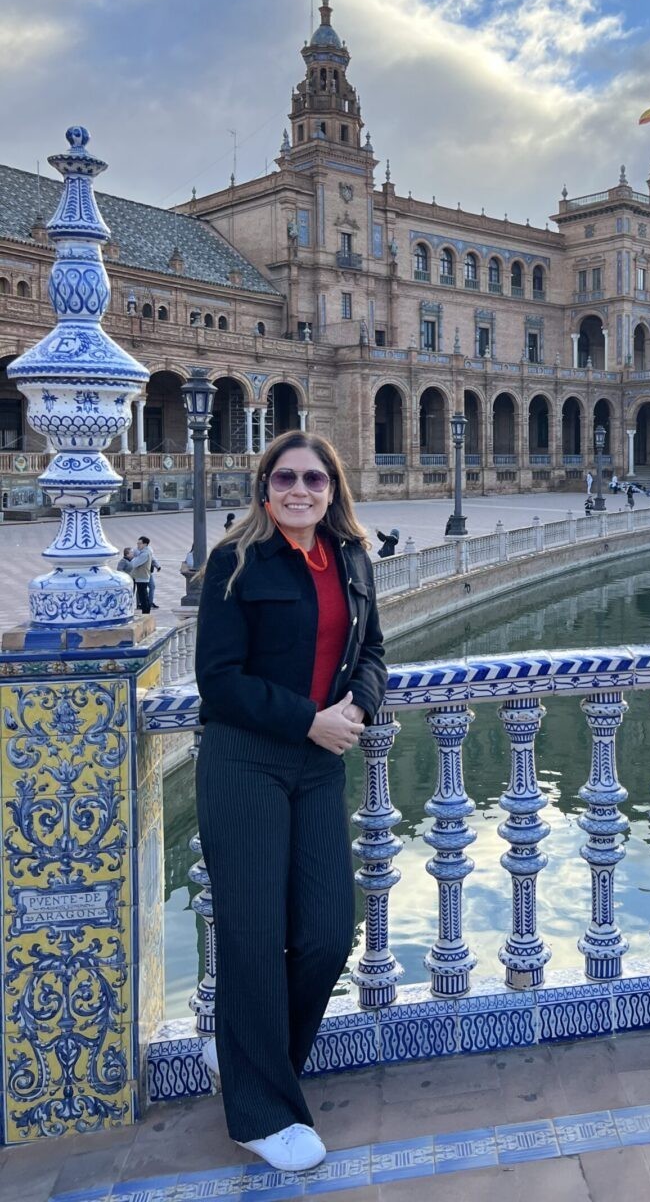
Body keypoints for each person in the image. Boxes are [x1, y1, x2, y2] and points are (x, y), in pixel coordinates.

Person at [195, 430, 386, 1173]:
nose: (298, 490)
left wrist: (355, 711)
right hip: (246, 762)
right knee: (252, 934)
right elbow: (219, 678)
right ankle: (260, 1110)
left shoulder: (351, 559)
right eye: (284, 478)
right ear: (264, 488)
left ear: (333, 489)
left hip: (316, 767)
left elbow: (372, 653)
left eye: (313, 478)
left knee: (327, 937)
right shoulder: (235, 562)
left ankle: (246, 1058)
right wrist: (307, 717)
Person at [129, 537, 154, 614]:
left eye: (139, 543)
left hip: (142, 577)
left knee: (143, 596)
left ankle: (146, 613)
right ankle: (146, 612)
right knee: (143, 595)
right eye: (137, 543)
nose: (138, 545)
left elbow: (134, 564)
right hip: (142, 576)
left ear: (145, 544)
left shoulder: (144, 554)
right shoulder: (145, 551)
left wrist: (133, 557)